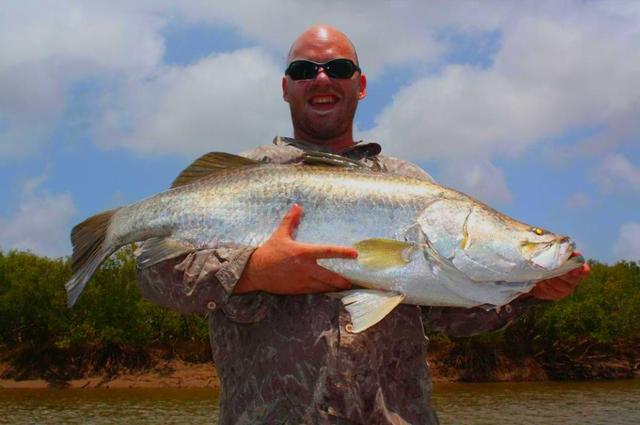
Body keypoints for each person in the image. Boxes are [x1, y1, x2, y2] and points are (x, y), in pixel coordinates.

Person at [136, 24, 590, 425]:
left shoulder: (409, 182)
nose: (321, 79)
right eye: (303, 70)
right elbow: (152, 273)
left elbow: (452, 315)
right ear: (285, 87)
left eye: (338, 68)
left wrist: (526, 292)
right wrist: (253, 272)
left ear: (361, 84)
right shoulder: (242, 174)